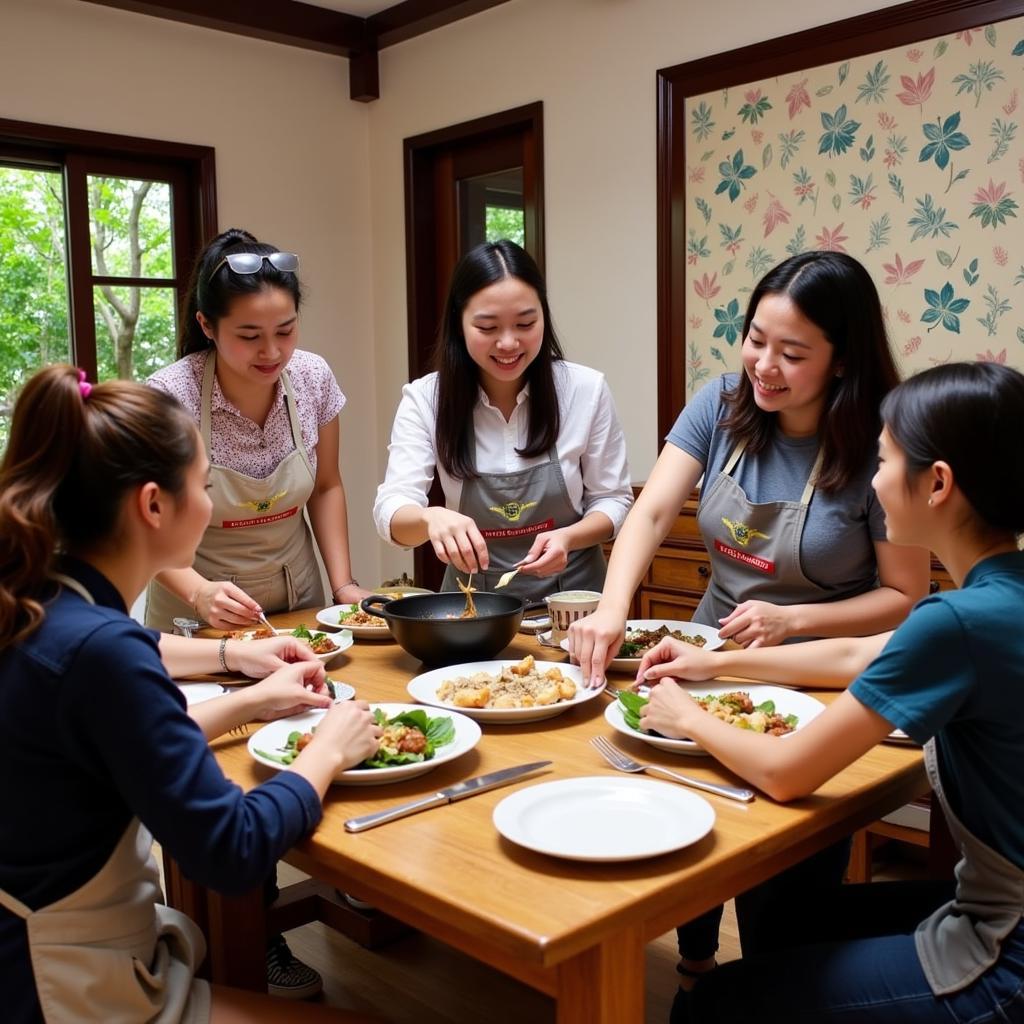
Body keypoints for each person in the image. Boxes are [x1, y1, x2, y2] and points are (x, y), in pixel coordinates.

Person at [569, 250, 931, 997]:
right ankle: (697, 962)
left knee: (783, 858)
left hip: (828, 671)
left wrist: (796, 620)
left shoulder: (880, 445)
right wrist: (612, 609)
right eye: (756, 339)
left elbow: (902, 598)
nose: (764, 365)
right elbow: (655, 509)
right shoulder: (721, 403)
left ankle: (771, 987)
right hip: (711, 650)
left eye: (792, 353)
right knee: (683, 809)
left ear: (842, 359)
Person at [636, 361, 1024, 1024]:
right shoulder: (997, 598)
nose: (872, 482)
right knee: (787, 922)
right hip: (994, 905)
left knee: (718, 1005)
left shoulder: (954, 623)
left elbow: (787, 773)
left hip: (1005, 952)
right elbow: (858, 654)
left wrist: (687, 716)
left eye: (882, 461)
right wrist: (713, 662)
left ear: (937, 484)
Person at [0, 365, 384, 1024]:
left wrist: (251, 697)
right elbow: (231, 852)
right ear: (153, 505)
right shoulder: (104, 652)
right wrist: (325, 752)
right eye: (204, 486)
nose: (210, 503)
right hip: (54, 989)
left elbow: (118, 735)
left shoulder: (39, 600)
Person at [373, 239, 633, 600]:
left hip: (575, 608)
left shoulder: (585, 390)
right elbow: (391, 511)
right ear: (458, 324)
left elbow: (614, 500)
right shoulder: (426, 399)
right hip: (473, 607)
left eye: (525, 323)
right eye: (488, 328)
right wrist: (430, 518)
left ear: (544, 314)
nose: (509, 343)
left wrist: (568, 538)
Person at [146, 227, 371, 633]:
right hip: (197, 612)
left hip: (296, 599)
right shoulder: (171, 397)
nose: (272, 352)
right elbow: (144, 523)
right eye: (249, 336)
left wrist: (344, 586)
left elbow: (326, 486)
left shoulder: (312, 376)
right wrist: (199, 592)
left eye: (285, 331)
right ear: (207, 325)